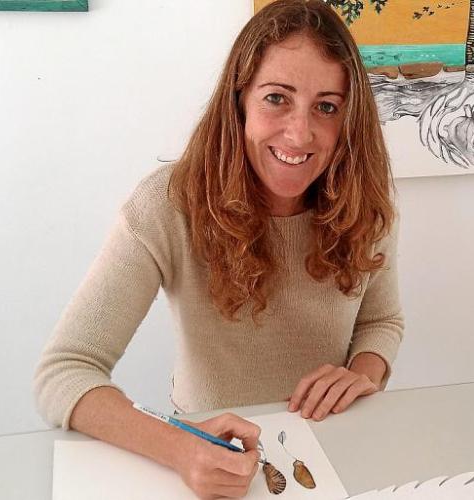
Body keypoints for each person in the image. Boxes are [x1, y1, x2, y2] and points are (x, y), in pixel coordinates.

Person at [33, 0, 404, 497]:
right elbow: (63, 371)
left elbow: (382, 321)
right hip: (210, 452)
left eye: (327, 106)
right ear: (239, 101)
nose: (300, 133)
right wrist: (179, 448)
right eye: (276, 98)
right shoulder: (167, 205)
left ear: (349, 118)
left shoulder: (367, 203)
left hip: (334, 449)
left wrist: (364, 371)